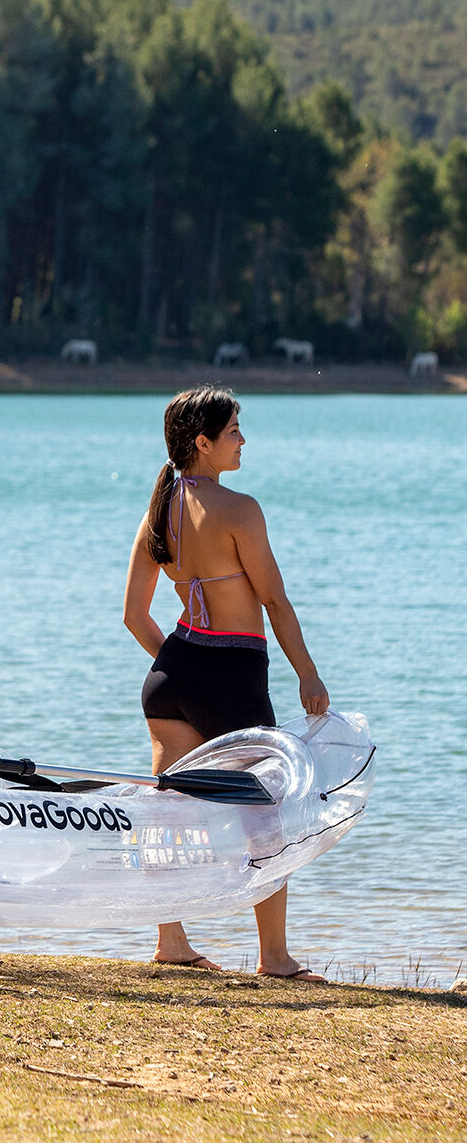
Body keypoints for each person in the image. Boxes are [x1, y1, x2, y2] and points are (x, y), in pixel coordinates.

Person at [122, 385, 329, 981]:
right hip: (233, 673)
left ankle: (171, 941)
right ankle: (275, 958)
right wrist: (308, 673)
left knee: (169, 814)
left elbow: (135, 615)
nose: (243, 440)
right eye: (234, 430)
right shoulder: (240, 509)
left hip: (171, 677)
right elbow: (275, 600)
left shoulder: (158, 509)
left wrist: (183, 667)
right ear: (203, 443)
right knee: (266, 813)